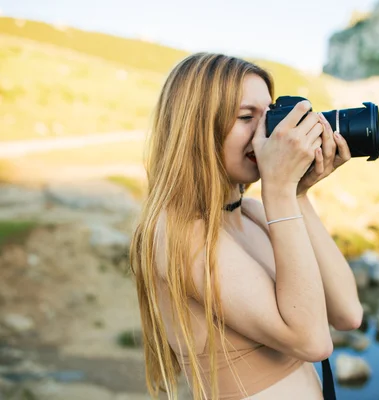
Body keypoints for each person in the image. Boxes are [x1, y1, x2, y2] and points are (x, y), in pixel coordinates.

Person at [130, 52, 363, 400]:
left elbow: (348, 313)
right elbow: (312, 340)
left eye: (270, 115)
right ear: (196, 128)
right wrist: (281, 190)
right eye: (245, 117)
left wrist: (298, 194)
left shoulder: (253, 212)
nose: (269, 133)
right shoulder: (175, 231)